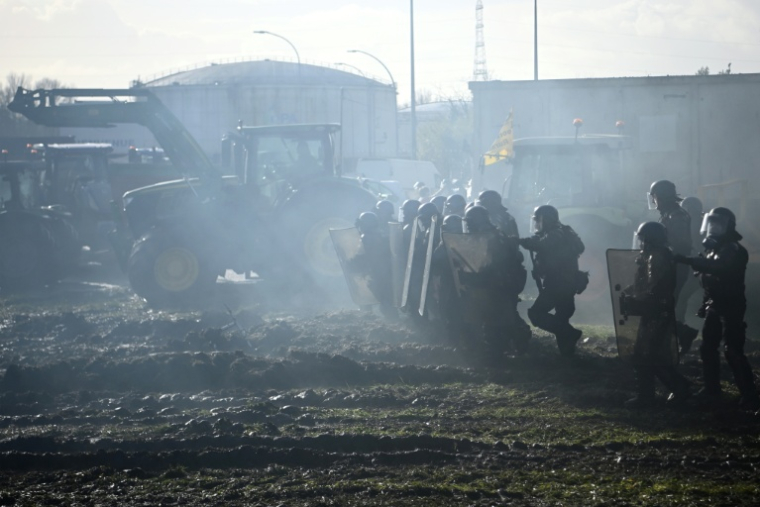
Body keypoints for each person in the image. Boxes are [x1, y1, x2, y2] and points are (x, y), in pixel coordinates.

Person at [674, 207, 760, 410]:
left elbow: (719, 268)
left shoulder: (733, 249)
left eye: (717, 224)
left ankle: (749, 395)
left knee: (733, 351)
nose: (712, 228)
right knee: (707, 348)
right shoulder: (713, 249)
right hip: (716, 304)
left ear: (728, 226)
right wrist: (706, 303)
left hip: (731, 306)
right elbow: (710, 281)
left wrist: (688, 260)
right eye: (709, 223)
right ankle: (712, 389)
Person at [622, 222, 691, 407]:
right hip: (656, 310)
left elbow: (654, 286)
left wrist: (636, 298)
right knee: (648, 354)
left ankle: (670, 390)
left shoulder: (656, 256)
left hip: (655, 311)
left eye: (643, 239)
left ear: (649, 239)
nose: (641, 242)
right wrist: (631, 291)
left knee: (647, 355)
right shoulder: (657, 254)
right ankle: (669, 389)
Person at [462, 205, 529, 355]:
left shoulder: (491, 238)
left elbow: (489, 263)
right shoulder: (492, 235)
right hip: (494, 285)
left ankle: (503, 352)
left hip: (497, 286)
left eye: (469, 222)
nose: (467, 226)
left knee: (497, 324)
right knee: (500, 320)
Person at [519, 205, 584, 356]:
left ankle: (571, 334)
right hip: (566, 283)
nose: (536, 223)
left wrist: (522, 242)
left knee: (536, 314)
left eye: (538, 220)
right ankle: (567, 355)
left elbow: (542, 244)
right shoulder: (563, 230)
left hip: (558, 284)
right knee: (561, 318)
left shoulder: (556, 233)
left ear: (545, 219)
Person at [648, 180, 699, 353]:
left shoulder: (676, 215)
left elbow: (680, 244)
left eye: (655, 197)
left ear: (660, 197)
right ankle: (673, 339)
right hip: (667, 266)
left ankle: (679, 336)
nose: (654, 201)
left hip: (674, 267)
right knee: (662, 306)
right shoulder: (669, 214)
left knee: (664, 306)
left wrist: (661, 247)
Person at [676, 196, 704, 352]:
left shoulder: (694, 222)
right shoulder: (701, 220)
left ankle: (683, 330)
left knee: (681, 297)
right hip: (698, 267)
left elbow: (694, 244)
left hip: (695, 267)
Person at [355, 212, 395, 319]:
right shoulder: (382, 234)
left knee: (383, 302)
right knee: (387, 299)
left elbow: (361, 256)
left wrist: (350, 263)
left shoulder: (366, 237)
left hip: (376, 273)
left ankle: (393, 323)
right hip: (387, 272)